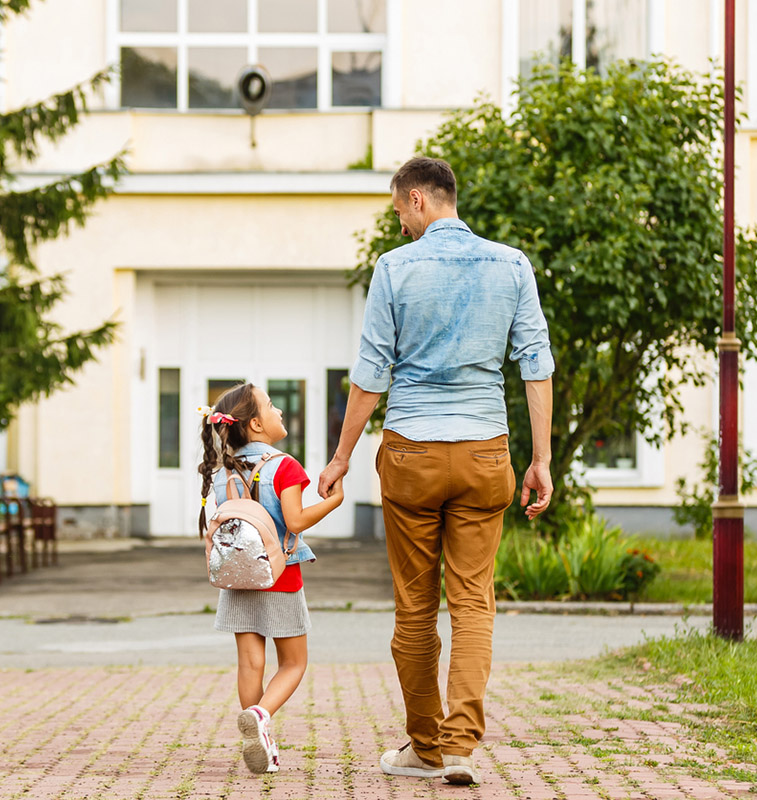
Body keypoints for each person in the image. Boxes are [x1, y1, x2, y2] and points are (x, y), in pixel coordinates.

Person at [318, 156, 554, 786]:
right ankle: (458, 747)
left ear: (419, 200)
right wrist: (541, 459)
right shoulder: (512, 265)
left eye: (400, 212)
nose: (400, 227)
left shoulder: (396, 269)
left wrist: (341, 457)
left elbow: (372, 373)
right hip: (484, 452)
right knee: (473, 600)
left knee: (415, 607)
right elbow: (536, 363)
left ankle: (424, 745)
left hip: (414, 453)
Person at [198, 382, 344, 775]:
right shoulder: (285, 465)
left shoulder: (222, 471)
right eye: (272, 405)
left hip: (237, 576)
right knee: (294, 663)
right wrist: (333, 502)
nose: (279, 410)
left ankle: (261, 736)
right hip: (280, 576)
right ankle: (261, 715)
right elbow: (295, 521)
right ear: (258, 424)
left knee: (250, 663)